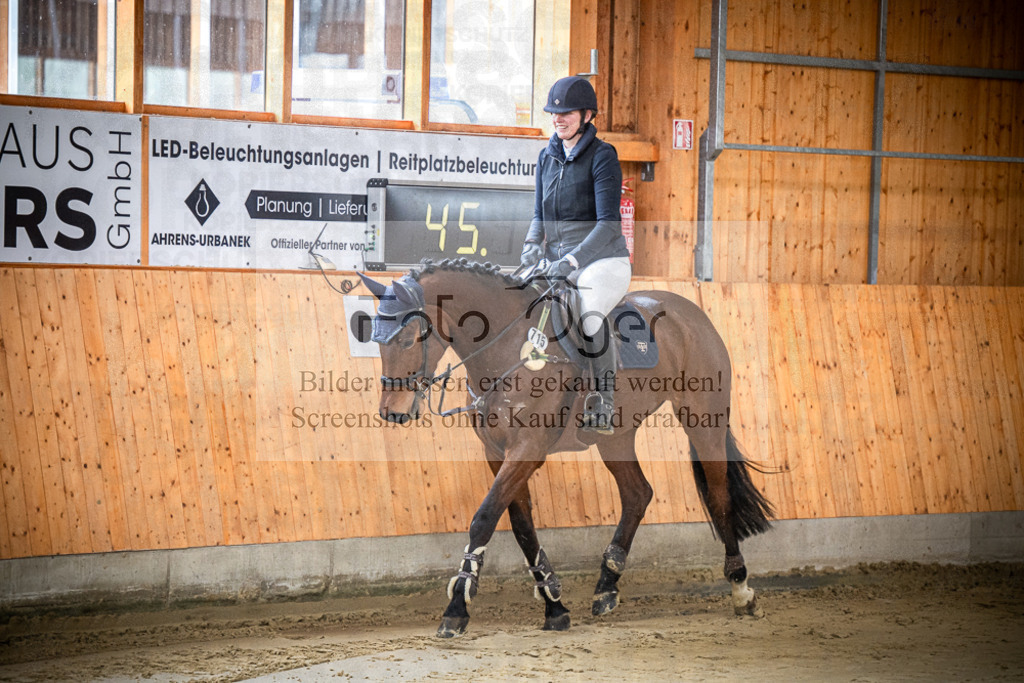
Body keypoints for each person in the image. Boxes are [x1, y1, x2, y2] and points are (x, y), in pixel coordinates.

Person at [520, 75, 632, 434]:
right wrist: (529, 247)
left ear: (586, 115)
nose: (557, 118)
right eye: (553, 112)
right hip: (557, 261)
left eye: (565, 112)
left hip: (602, 262)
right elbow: (539, 214)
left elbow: (608, 225)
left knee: (588, 315)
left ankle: (603, 402)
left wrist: (571, 261)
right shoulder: (546, 156)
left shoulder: (602, 157)